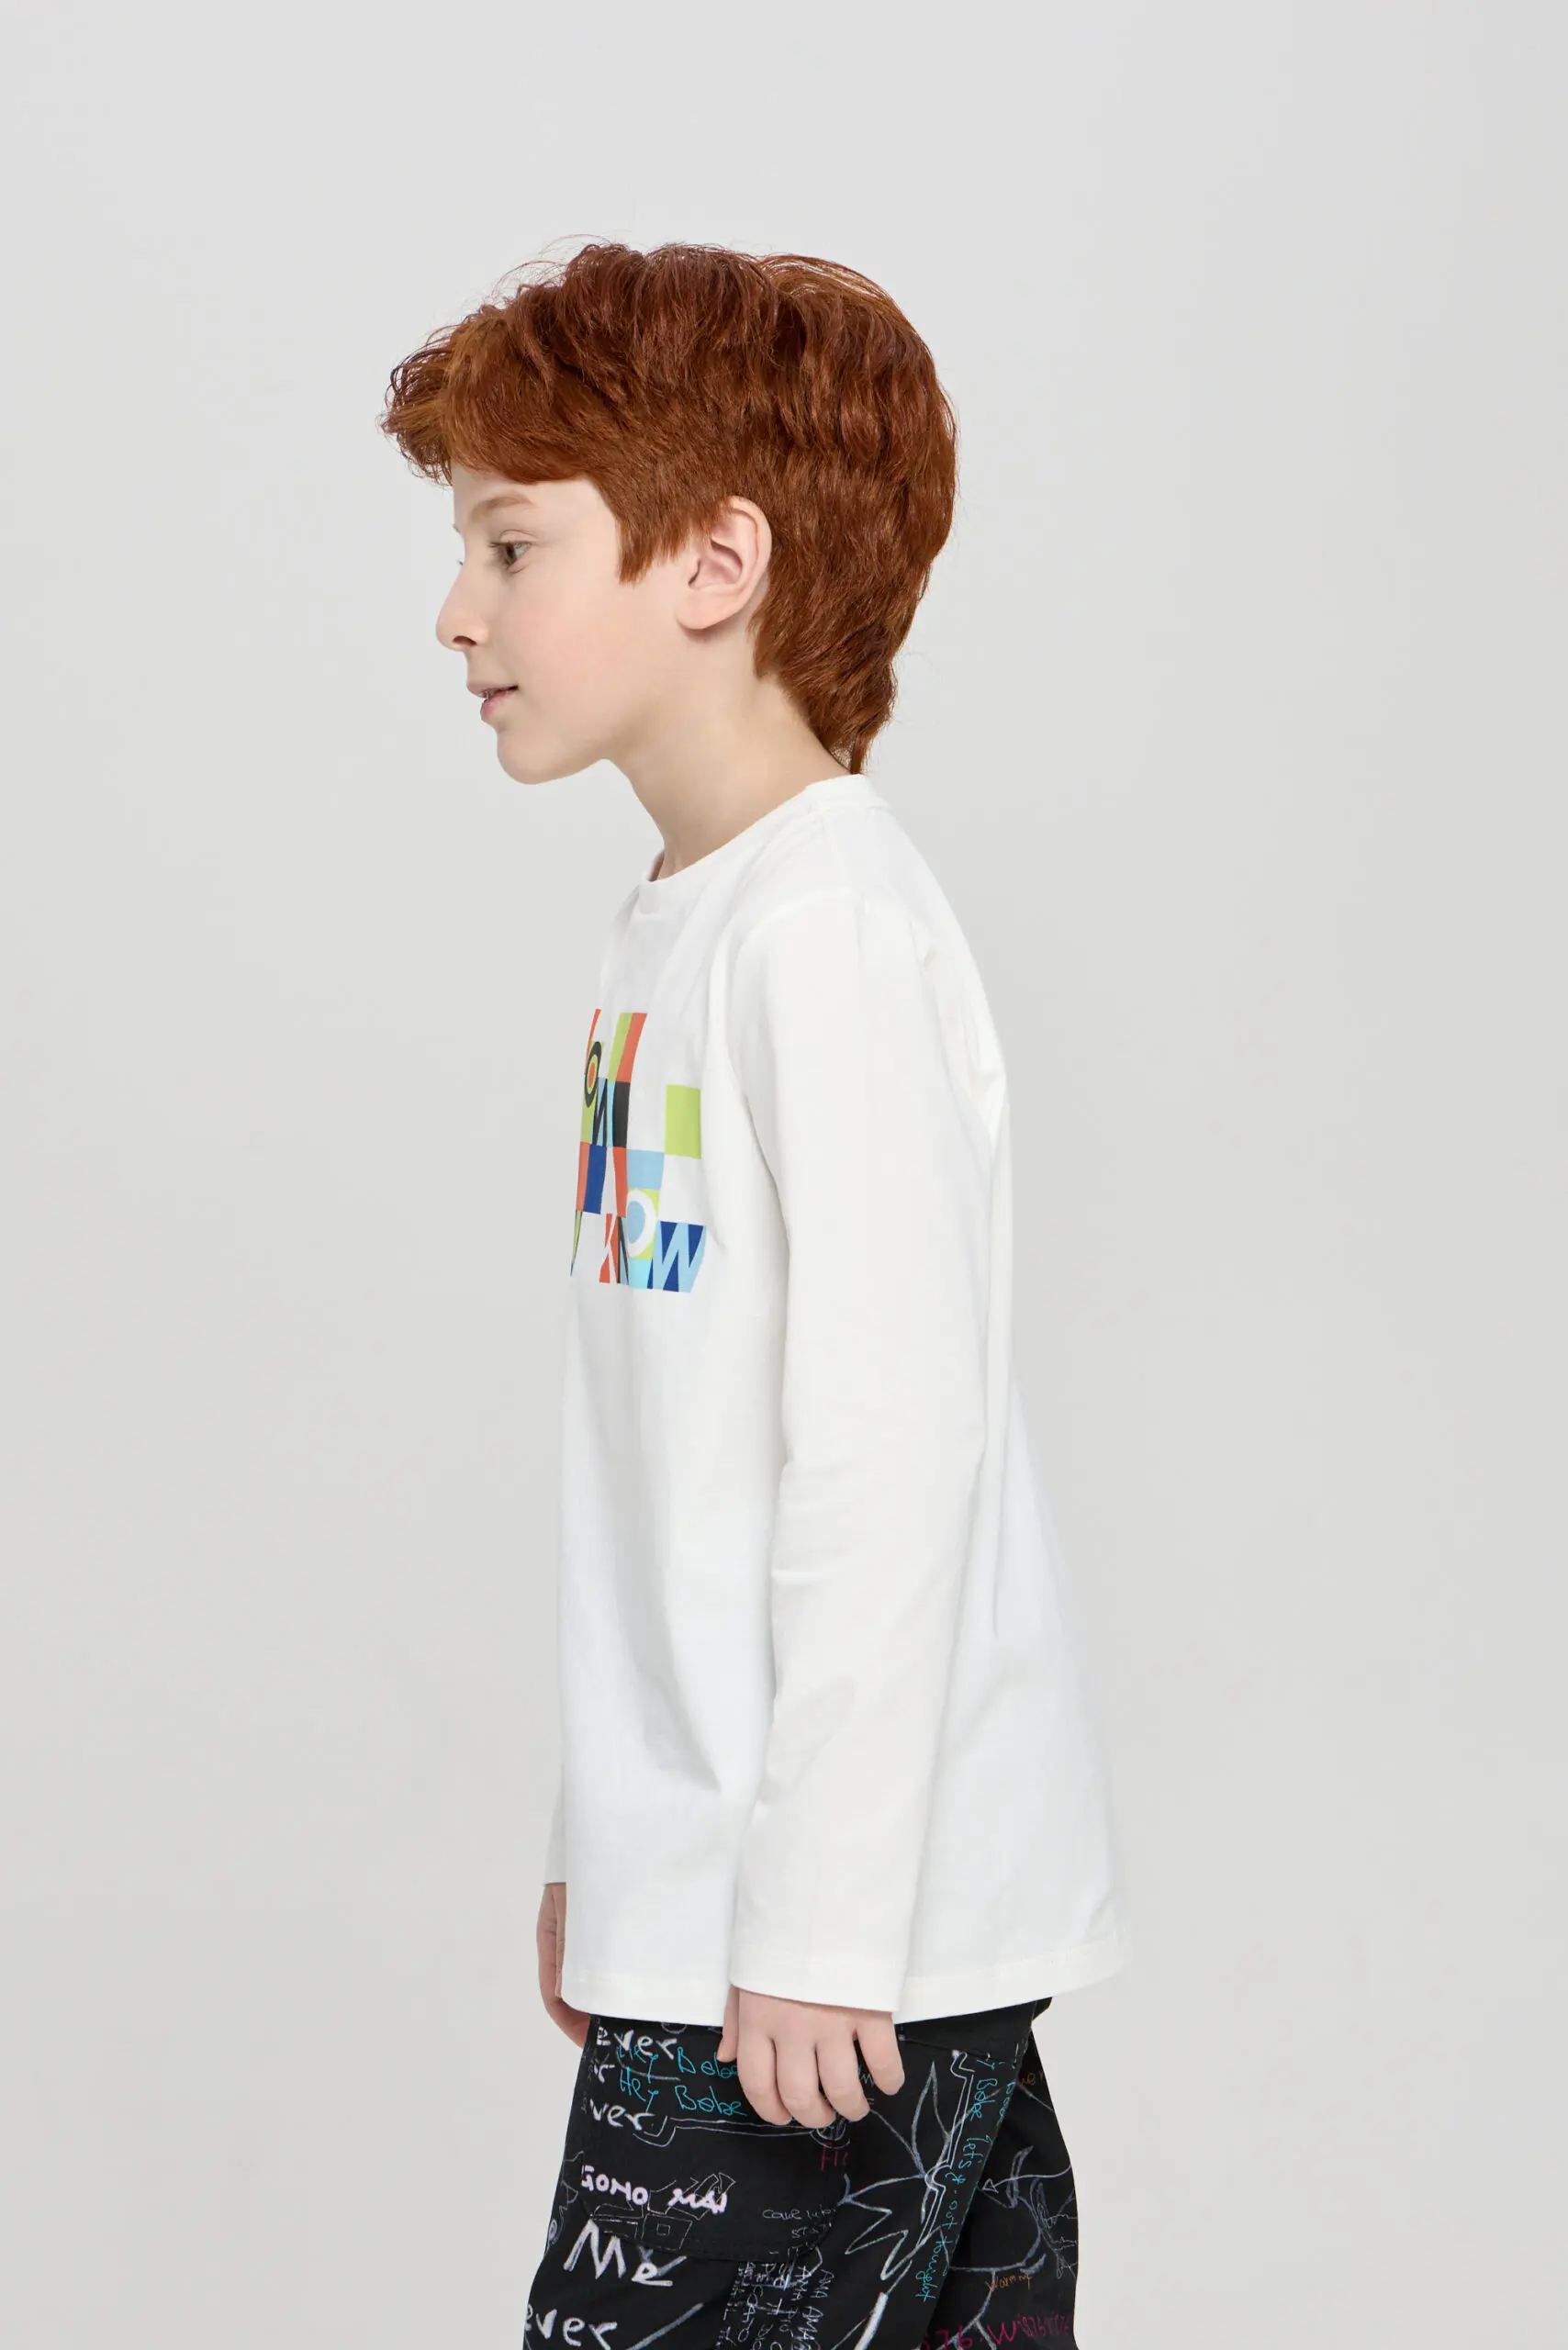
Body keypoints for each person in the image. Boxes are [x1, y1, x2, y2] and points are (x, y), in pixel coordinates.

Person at [379, 240, 1131, 2348]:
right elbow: (669, 1460)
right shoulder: (687, 927)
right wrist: (611, 1838)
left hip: (821, 1939)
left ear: (714, 561)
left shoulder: (826, 934)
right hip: (759, 1899)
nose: (456, 613)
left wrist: (808, 1913)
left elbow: (890, 1448)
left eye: (510, 545)